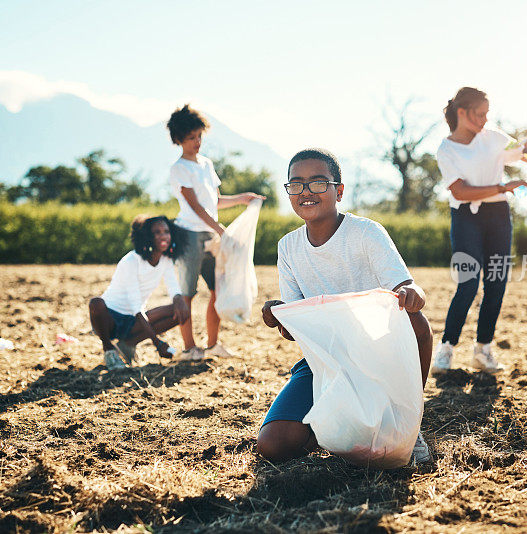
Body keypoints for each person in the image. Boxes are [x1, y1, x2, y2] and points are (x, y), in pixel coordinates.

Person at [258, 148, 434, 464]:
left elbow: (405, 287)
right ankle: (331, 428)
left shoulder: (366, 232)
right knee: (274, 445)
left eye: (318, 183)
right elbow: (296, 331)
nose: (306, 192)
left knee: (416, 321)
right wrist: (280, 316)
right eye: (296, 184)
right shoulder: (288, 247)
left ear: (338, 190)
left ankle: (408, 423)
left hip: (377, 358)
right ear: (288, 192)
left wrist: (413, 293)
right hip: (325, 361)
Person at [432, 87, 527, 375]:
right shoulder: (447, 149)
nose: (484, 120)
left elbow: (523, 155)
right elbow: (460, 191)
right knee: (468, 282)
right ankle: (446, 347)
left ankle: (483, 350)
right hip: (466, 216)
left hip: (497, 216)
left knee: (496, 280)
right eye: (479, 114)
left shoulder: (493, 137)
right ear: (461, 112)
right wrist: (503, 187)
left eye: (486, 114)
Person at [166, 104, 265, 361]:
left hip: (210, 236)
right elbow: (196, 206)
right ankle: (189, 348)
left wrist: (243, 198)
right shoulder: (179, 169)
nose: (197, 142)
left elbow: (215, 201)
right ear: (179, 139)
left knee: (216, 290)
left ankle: (212, 345)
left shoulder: (207, 165)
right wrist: (220, 229)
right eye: (191, 138)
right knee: (187, 293)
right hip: (188, 236)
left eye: (199, 136)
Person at [89, 215, 190, 370]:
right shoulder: (131, 261)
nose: (163, 235)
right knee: (96, 303)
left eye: (166, 231)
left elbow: (173, 287)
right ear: (147, 237)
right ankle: (109, 350)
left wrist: (179, 299)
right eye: (157, 232)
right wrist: (158, 343)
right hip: (109, 319)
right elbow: (136, 307)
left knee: (180, 311)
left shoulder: (166, 260)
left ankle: (127, 345)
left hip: (132, 321)